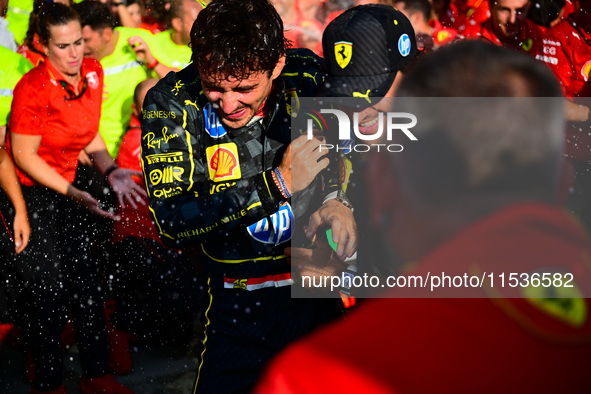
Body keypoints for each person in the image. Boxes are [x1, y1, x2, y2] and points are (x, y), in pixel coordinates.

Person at [255, 40, 591, 393]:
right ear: (562, 182)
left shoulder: (317, 375)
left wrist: (349, 275)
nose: (364, 113)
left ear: (385, 183)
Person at [140, 0, 354, 391]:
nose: (228, 103)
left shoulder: (306, 73)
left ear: (276, 64)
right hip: (235, 302)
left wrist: (340, 199)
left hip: (316, 289)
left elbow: (358, 148)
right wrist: (276, 184)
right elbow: (171, 220)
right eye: (213, 87)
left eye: (244, 88)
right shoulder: (171, 100)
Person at [6, 3, 142, 393]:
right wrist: (74, 193)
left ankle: (96, 375)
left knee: (87, 282)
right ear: (41, 46)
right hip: (33, 193)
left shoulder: (94, 73)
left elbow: (88, 134)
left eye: (79, 42)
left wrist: (110, 169)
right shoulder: (31, 88)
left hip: (73, 185)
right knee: (47, 290)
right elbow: (23, 155)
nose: (74, 53)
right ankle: (47, 383)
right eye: (63, 46)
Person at [460, 0, 544, 56]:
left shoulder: (540, 37)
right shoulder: (470, 38)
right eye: (505, 10)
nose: (512, 20)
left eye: (520, 10)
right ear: (491, 7)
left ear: (528, 7)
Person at [149, 0, 204, 69]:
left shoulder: (209, 48)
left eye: (204, 20)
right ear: (177, 24)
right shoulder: (151, 45)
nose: (203, 27)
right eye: (196, 21)